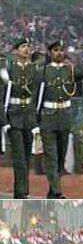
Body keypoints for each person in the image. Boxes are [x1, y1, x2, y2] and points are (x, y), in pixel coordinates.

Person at [36, 40, 83, 198]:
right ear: (50, 53)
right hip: (48, 118)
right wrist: (35, 121)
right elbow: (36, 98)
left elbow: (81, 81)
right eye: (55, 50)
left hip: (64, 117)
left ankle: (52, 189)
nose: (59, 53)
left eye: (61, 50)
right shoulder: (42, 71)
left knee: (60, 156)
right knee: (51, 155)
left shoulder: (70, 70)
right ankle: (57, 191)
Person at [1, 39, 38, 199]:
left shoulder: (34, 69)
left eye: (28, 46)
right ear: (16, 50)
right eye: (23, 46)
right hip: (14, 117)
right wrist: (4, 122)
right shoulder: (9, 69)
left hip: (29, 117)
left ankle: (23, 190)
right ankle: (21, 192)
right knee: (19, 157)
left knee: (28, 156)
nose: (26, 49)